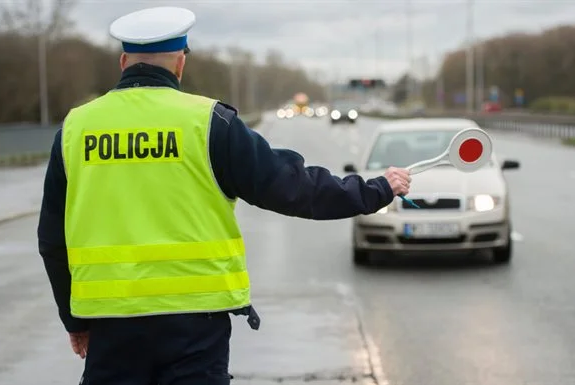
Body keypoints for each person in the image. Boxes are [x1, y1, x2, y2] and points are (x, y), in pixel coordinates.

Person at [37, 6, 411, 385]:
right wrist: (375, 190)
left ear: (123, 62)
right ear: (180, 62)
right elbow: (292, 188)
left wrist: (75, 321)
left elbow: (52, 238)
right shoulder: (209, 122)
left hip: (109, 328)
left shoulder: (75, 129)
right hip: (195, 328)